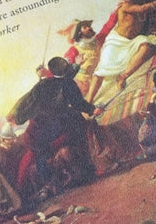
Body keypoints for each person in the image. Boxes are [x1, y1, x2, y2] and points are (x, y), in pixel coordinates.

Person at [9, 56, 100, 198]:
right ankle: (83, 171)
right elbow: (78, 103)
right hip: (55, 125)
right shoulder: (68, 84)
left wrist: (20, 117)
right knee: (78, 127)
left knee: (41, 153)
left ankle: (50, 184)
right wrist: (92, 110)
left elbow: (23, 111)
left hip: (39, 129)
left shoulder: (41, 86)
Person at [86, 0, 156, 104]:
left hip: (133, 41)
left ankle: (123, 76)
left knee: (147, 47)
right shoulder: (124, 6)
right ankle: (89, 100)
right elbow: (142, 9)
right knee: (101, 71)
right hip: (116, 42)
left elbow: (148, 0)